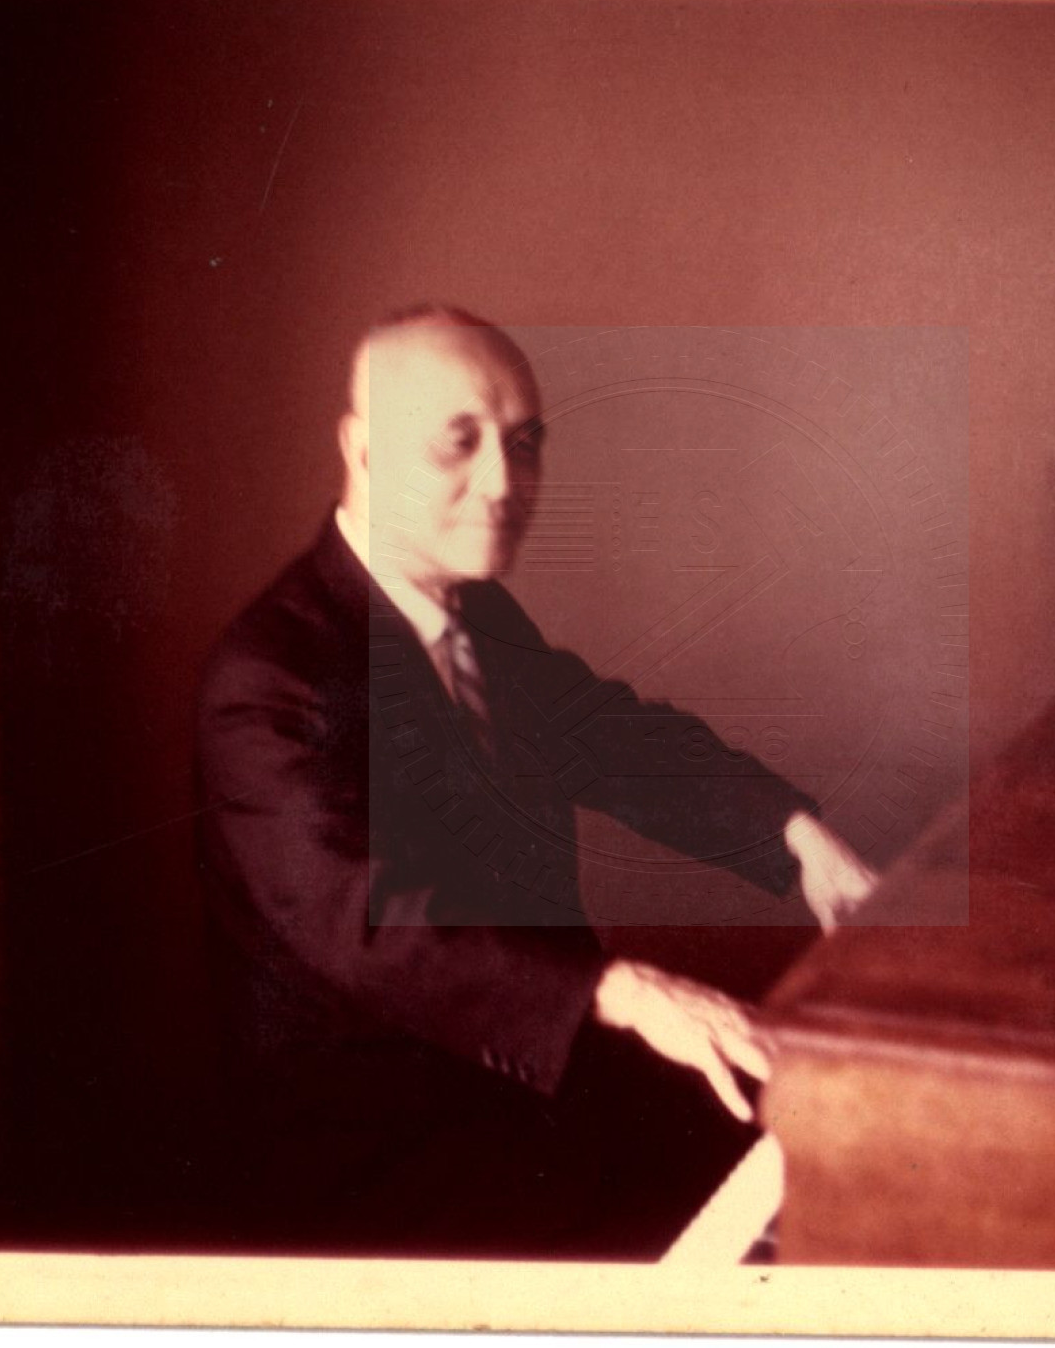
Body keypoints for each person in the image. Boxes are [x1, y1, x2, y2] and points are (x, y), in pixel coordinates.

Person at [194, 304, 876, 1257]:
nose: (504, 483)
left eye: (524, 443)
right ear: (362, 449)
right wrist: (623, 990)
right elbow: (371, 921)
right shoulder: (269, 673)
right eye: (459, 442)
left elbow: (609, 736)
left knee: (839, 1151)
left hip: (540, 1088)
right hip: (380, 1155)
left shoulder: (479, 614)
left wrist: (797, 837)